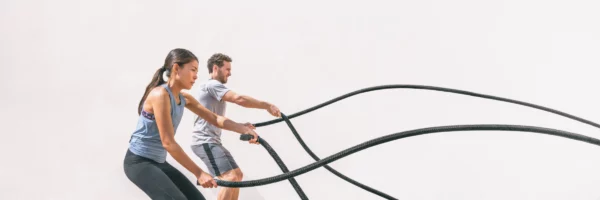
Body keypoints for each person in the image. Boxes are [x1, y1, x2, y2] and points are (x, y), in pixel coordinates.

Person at [123, 48, 260, 200]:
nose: (196, 76)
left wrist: (242, 128)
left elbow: (215, 119)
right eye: (193, 70)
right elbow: (168, 143)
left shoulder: (184, 98)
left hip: (158, 162)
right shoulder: (160, 95)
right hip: (139, 163)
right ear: (176, 68)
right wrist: (199, 173)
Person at [190, 53, 281, 200]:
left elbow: (218, 118)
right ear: (215, 68)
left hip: (213, 142)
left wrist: (241, 126)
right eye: (227, 69)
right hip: (204, 142)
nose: (230, 73)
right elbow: (239, 99)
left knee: (237, 175)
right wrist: (266, 105)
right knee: (230, 178)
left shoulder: (213, 89)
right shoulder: (211, 85)